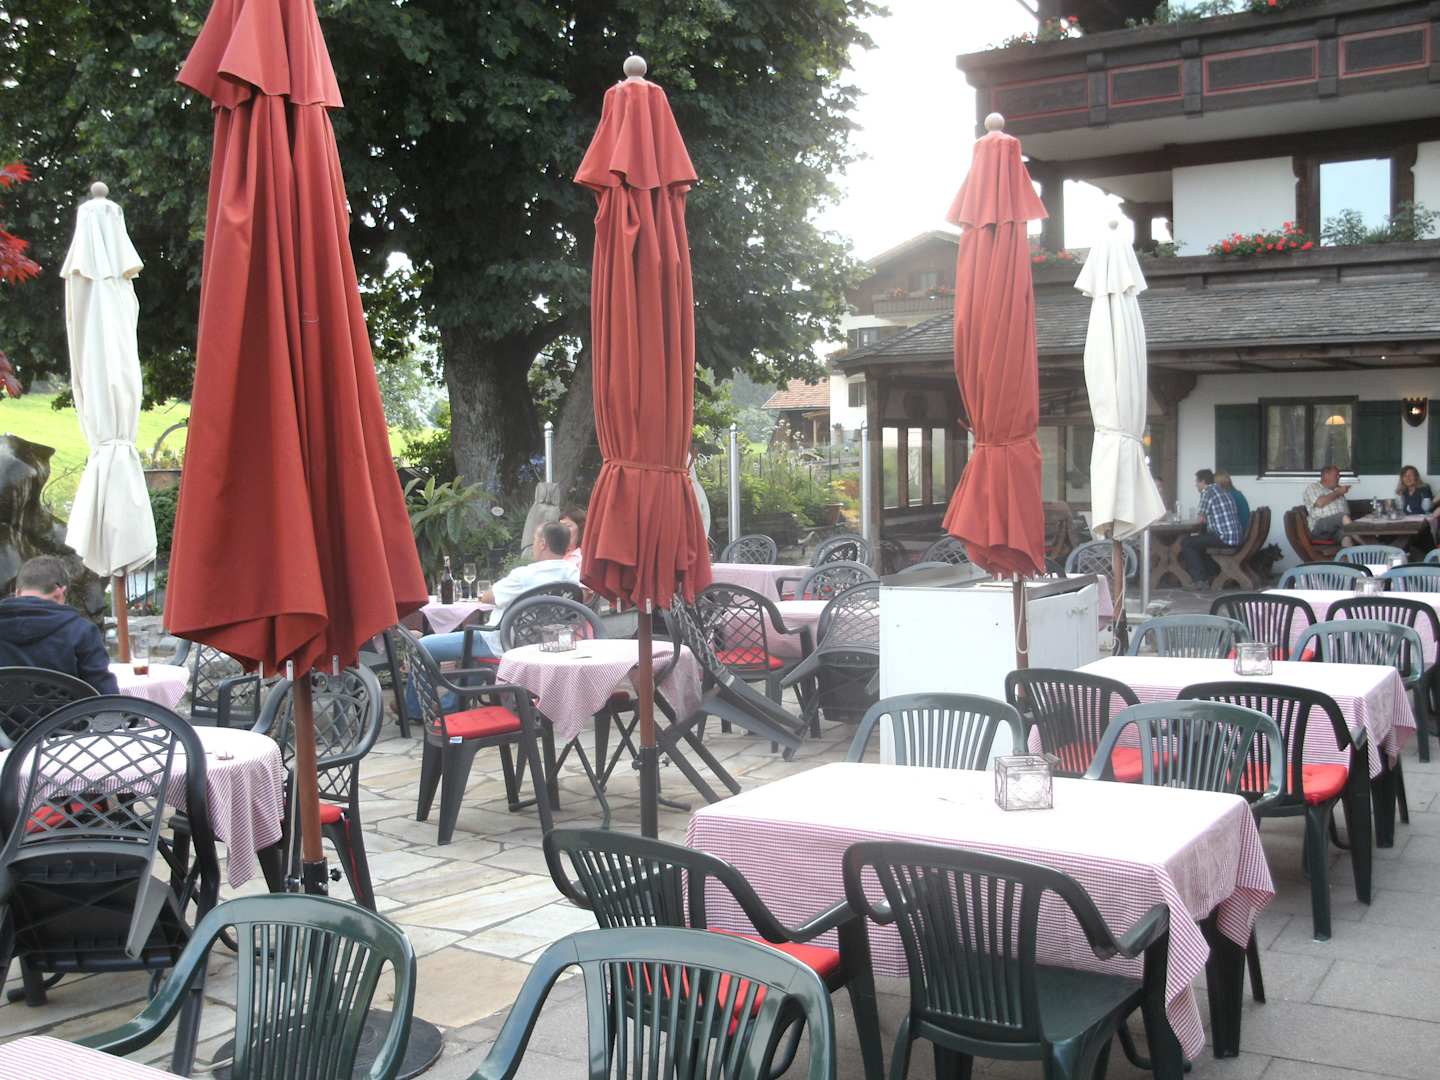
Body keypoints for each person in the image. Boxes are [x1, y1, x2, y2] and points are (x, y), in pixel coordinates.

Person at [419, 521, 580, 669]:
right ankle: (459, 693)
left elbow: (488, 597)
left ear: (542, 544)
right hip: (548, 644)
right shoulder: (573, 574)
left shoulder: (524, 575)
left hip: (502, 642)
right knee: (473, 663)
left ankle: (419, 694)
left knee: (422, 645)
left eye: (534, 540)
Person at [0, 555, 118, 694]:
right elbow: (105, 695)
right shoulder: (82, 632)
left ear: (17, 592)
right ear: (60, 593)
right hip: (70, 709)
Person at [1180, 469, 1242, 589]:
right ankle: (1210, 575)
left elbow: (1201, 518)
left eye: (1197, 482)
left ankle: (1200, 580)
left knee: (1187, 543)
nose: (1195, 485)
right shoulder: (1223, 490)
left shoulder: (1208, 492)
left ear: (1203, 481)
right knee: (1199, 541)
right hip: (1234, 536)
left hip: (1224, 537)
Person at [1303, 465, 1353, 545]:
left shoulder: (1337, 490)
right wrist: (1338, 492)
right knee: (1342, 517)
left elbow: (1347, 513)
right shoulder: (1313, 487)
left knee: (1346, 536)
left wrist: (1340, 493)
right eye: (1336, 475)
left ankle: (1352, 553)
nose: (1338, 478)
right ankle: (1365, 544)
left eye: (1339, 476)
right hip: (1320, 528)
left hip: (1335, 529)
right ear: (1326, 475)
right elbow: (1320, 503)